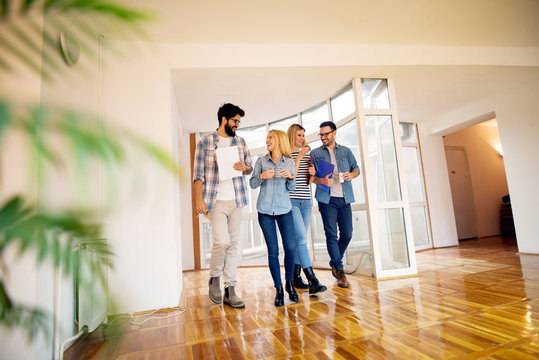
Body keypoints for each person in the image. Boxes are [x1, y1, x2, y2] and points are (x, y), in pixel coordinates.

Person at [193, 103, 252, 308]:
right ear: (224, 119)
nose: (237, 125)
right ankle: (214, 277)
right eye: (235, 121)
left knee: (234, 244)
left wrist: (245, 167)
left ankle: (230, 288)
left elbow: (249, 167)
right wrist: (199, 199)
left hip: (237, 199)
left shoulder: (241, 142)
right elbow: (197, 174)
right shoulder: (205, 142)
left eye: (239, 122)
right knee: (222, 242)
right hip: (216, 200)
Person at [250, 129, 297, 307]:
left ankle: (289, 284)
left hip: (285, 209)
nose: (267, 140)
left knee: (290, 248)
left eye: (270, 137)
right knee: (273, 251)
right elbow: (253, 184)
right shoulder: (261, 161)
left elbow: (291, 187)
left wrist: (290, 176)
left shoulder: (289, 162)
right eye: (267, 137)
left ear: (278, 141)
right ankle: (278, 288)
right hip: (265, 211)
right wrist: (261, 176)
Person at [310, 121, 360, 288]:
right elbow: (311, 178)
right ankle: (339, 271)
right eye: (321, 135)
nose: (323, 137)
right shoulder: (315, 154)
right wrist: (322, 179)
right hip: (326, 199)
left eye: (326, 134)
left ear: (334, 133)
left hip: (345, 198)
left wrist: (350, 176)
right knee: (331, 235)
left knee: (347, 234)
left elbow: (356, 169)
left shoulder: (346, 151)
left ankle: (334, 261)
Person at [287, 124, 327, 294]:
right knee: (302, 238)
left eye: (303, 135)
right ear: (291, 136)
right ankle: (312, 279)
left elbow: (308, 180)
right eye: (298, 135)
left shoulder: (307, 155)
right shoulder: (286, 154)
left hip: (306, 201)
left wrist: (312, 173)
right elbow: (290, 177)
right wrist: (299, 156)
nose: (302, 138)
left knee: (299, 240)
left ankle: (296, 277)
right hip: (291, 201)